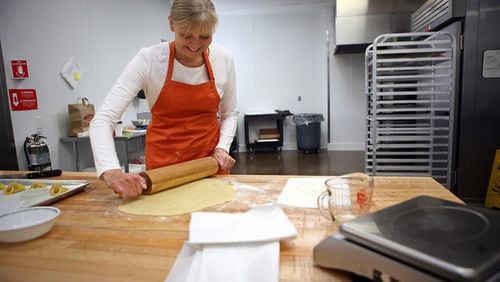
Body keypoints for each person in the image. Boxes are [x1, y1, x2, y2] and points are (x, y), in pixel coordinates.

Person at [89, 0, 238, 199]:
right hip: (164, 171)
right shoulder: (149, 59)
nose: (195, 45)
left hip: (209, 164)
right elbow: (103, 118)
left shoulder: (223, 59)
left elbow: (230, 113)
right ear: (171, 24)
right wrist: (111, 170)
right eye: (186, 35)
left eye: (204, 36)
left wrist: (222, 148)